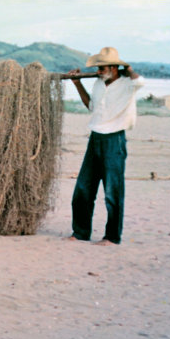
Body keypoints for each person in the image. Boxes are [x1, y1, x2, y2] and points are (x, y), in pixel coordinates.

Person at [66, 46, 143, 245]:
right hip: (96, 137)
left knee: (112, 192)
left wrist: (130, 70)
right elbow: (91, 106)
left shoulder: (128, 84)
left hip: (114, 139)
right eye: (98, 68)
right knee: (83, 189)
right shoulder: (99, 84)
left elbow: (141, 82)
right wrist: (77, 83)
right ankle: (81, 232)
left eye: (103, 67)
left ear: (115, 68)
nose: (99, 71)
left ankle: (111, 237)